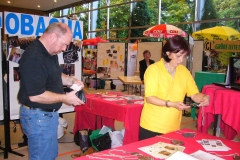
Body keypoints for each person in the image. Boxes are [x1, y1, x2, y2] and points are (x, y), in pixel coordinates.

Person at [17, 22, 85, 160]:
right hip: (38, 117)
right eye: (64, 44)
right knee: (43, 157)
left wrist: (71, 80)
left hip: (46, 116)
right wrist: (65, 98)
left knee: (49, 155)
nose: (65, 48)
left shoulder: (50, 52)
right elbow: (36, 96)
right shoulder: (34, 57)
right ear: (53, 37)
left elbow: (56, 74)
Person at [139, 35, 210, 140]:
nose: (181, 60)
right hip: (151, 126)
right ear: (168, 53)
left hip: (173, 127)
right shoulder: (153, 70)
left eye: (184, 56)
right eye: (178, 56)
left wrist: (204, 97)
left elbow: (194, 94)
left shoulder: (184, 71)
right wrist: (172, 104)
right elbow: (150, 98)